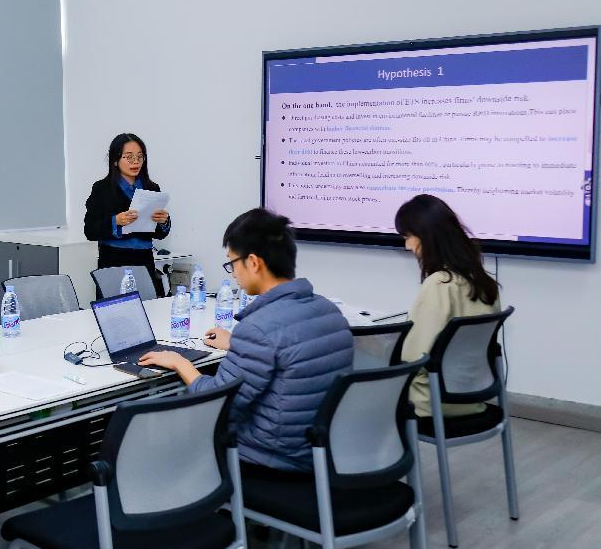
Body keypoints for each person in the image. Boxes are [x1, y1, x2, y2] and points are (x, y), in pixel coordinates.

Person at [138, 208, 353, 472]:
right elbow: (287, 353)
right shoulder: (329, 311)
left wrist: (179, 362)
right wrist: (236, 345)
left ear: (253, 263)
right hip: (321, 450)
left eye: (232, 264)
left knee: (173, 436)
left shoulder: (258, 328)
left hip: (271, 459)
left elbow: (217, 401)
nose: (233, 274)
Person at [395, 194, 501, 418]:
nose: (407, 245)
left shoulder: (440, 284)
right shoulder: (483, 281)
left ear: (427, 237)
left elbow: (412, 357)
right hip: (471, 398)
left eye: (409, 236)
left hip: (429, 402)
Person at [83, 133, 171, 296]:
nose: (135, 162)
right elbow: (90, 230)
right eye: (129, 157)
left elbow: (159, 233)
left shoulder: (151, 188)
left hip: (144, 261)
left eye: (140, 157)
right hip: (114, 260)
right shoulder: (102, 189)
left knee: (148, 307)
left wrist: (163, 221)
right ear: (115, 160)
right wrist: (115, 221)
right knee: (114, 307)